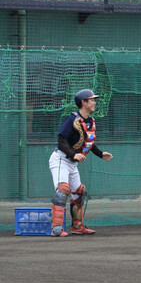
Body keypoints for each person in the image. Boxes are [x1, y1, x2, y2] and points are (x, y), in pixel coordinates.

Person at [49, 89, 113, 237]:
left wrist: (100, 154)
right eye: (91, 100)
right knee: (63, 189)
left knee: (79, 192)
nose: (94, 102)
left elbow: (89, 142)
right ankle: (56, 228)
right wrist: (73, 154)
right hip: (60, 160)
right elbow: (61, 140)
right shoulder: (72, 119)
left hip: (72, 163)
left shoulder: (89, 121)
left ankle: (77, 226)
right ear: (83, 102)